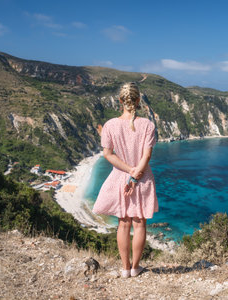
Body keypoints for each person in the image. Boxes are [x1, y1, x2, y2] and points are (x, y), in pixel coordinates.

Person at [92, 82, 158, 278]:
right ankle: (136, 267)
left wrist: (128, 171)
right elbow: (146, 156)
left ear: (120, 101)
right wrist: (136, 174)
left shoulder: (110, 125)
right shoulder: (148, 125)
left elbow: (108, 154)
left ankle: (125, 268)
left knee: (123, 224)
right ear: (138, 101)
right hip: (142, 177)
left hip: (120, 177)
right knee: (139, 224)